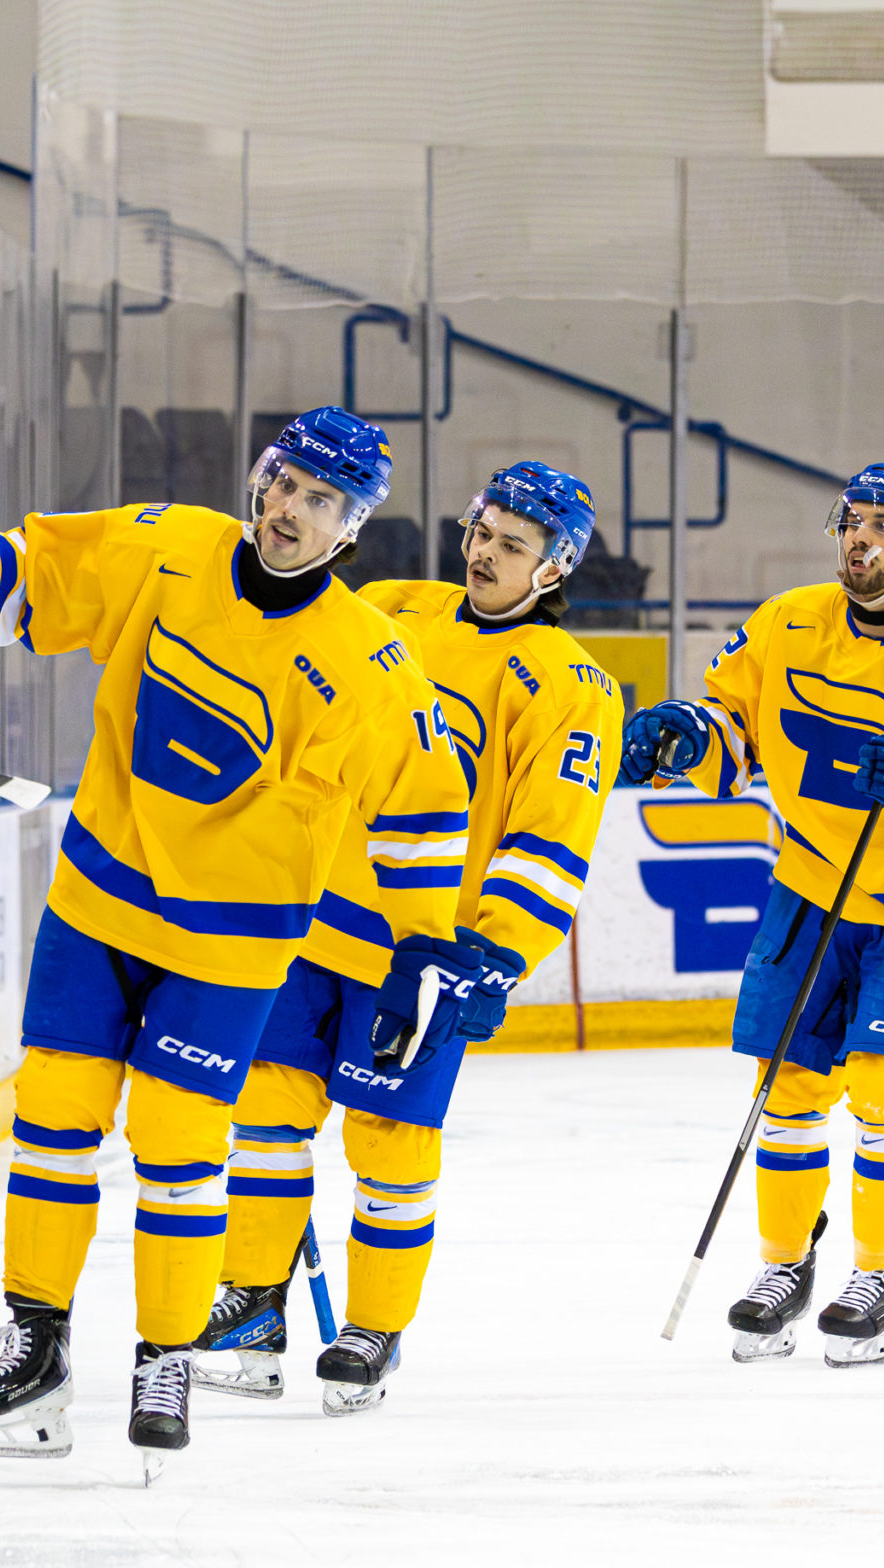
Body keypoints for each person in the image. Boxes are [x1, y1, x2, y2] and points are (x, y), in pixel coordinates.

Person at [0, 408, 474, 1475]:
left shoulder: (374, 665)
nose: (286, 510)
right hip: (102, 895)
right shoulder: (171, 547)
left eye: (318, 501)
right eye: (281, 483)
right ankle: (36, 1348)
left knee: (176, 1142)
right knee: (56, 1115)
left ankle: (166, 1353)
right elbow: (40, 581)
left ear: (352, 531)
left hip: (234, 940)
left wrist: (424, 952)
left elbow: (421, 813)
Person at [193, 460, 622, 1414]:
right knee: (267, 1111)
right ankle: (252, 1304)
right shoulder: (391, 607)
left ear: (553, 569)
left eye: (514, 545)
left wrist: (498, 951)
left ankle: (373, 1327)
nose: (484, 552)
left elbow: (551, 835)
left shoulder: (572, 687)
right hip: (310, 923)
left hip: (424, 950)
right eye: (482, 530)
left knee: (389, 1137)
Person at [617, 463, 884, 1367]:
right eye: (852, 520)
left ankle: (878, 1272)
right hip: (812, 890)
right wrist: (692, 734)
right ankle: (782, 1266)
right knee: (788, 1087)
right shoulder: (788, 620)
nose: (861, 538)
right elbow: (736, 720)